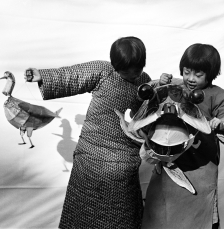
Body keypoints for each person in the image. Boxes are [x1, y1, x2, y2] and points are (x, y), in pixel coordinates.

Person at [24, 36, 152, 229]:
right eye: (127, 71)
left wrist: (155, 92)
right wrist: (42, 75)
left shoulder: (144, 81)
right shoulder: (103, 71)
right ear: (115, 65)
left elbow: (144, 114)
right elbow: (72, 76)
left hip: (123, 157)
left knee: (122, 212)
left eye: (137, 70)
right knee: (80, 212)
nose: (133, 75)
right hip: (90, 154)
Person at [141, 43, 224, 229]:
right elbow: (150, 100)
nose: (190, 78)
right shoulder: (175, 87)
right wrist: (159, 84)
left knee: (196, 219)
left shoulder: (217, 95)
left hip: (199, 170)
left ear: (211, 74)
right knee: (158, 216)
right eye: (187, 72)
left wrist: (222, 125)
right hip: (168, 166)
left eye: (198, 75)